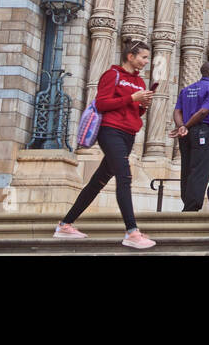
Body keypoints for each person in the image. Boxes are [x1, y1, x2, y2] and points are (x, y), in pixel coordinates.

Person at [54, 41, 157, 248]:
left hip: (129, 133)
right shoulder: (112, 75)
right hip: (110, 131)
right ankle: (132, 232)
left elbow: (135, 111)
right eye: (143, 57)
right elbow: (102, 103)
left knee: (98, 181)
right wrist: (131, 97)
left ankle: (65, 225)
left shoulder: (140, 83)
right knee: (124, 176)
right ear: (130, 56)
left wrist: (142, 105)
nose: (146, 61)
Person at [171, 61, 209, 212]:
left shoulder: (187, 89)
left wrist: (181, 126)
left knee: (186, 167)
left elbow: (177, 111)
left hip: (186, 133)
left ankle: (187, 201)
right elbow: (203, 112)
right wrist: (185, 126)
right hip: (202, 130)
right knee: (200, 168)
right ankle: (191, 207)